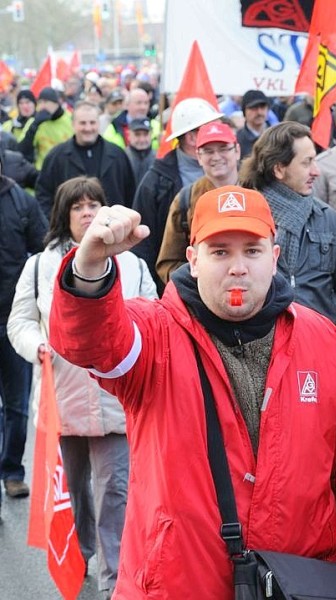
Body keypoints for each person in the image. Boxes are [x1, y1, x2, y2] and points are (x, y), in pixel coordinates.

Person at [46, 185, 336, 600]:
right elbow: (92, 340)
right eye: (220, 252)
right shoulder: (155, 336)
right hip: (176, 586)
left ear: (275, 258)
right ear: (193, 260)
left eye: (252, 251)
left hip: (299, 584)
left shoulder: (325, 343)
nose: (237, 267)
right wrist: (91, 265)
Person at [7, 176, 156, 597]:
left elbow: (150, 313)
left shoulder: (132, 264)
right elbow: (19, 321)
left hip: (115, 401)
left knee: (115, 492)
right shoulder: (39, 265)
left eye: (95, 206)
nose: (88, 213)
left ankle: (114, 580)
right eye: (78, 207)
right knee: (72, 494)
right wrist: (37, 346)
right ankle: (79, 558)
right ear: (63, 215)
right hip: (63, 402)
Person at [239, 121, 336, 322]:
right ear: (279, 169)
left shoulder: (327, 218)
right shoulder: (246, 217)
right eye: (307, 162)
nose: (316, 171)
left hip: (320, 341)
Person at [132, 97, 223, 295]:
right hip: (179, 288)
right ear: (191, 138)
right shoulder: (156, 182)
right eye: (209, 128)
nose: (218, 133)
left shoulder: (231, 171)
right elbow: (144, 244)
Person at [0, 150, 47, 505]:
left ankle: (13, 471)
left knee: (16, 405)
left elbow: (41, 250)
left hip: (11, 319)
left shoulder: (22, 202)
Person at [156, 120, 241, 283]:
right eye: (208, 151)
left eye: (223, 149)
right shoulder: (185, 199)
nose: (216, 157)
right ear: (199, 157)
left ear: (237, 151)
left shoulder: (259, 194)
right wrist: (199, 285)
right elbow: (167, 264)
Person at [35, 101, 136, 218]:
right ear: (73, 124)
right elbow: (43, 195)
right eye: (82, 123)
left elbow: (130, 194)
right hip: (69, 231)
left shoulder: (117, 154)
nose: (88, 128)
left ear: (98, 123)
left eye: (92, 122)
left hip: (113, 228)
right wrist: (56, 224)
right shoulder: (56, 157)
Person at [18, 86, 74, 169]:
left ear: (56, 103)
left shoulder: (71, 119)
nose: (42, 106)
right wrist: (34, 126)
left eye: (46, 102)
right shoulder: (34, 121)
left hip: (67, 169)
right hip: (43, 171)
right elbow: (22, 149)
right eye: (40, 102)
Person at [235, 89, 271, 158]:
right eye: (254, 108)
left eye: (262, 107)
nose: (259, 112)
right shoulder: (237, 140)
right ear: (244, 111)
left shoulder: (278, 136)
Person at [124, 117, 156, 186]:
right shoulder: (122, 158)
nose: (142, 139)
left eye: (145, 134)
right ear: (129, 135)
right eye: (137, 134)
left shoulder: (158, 159)